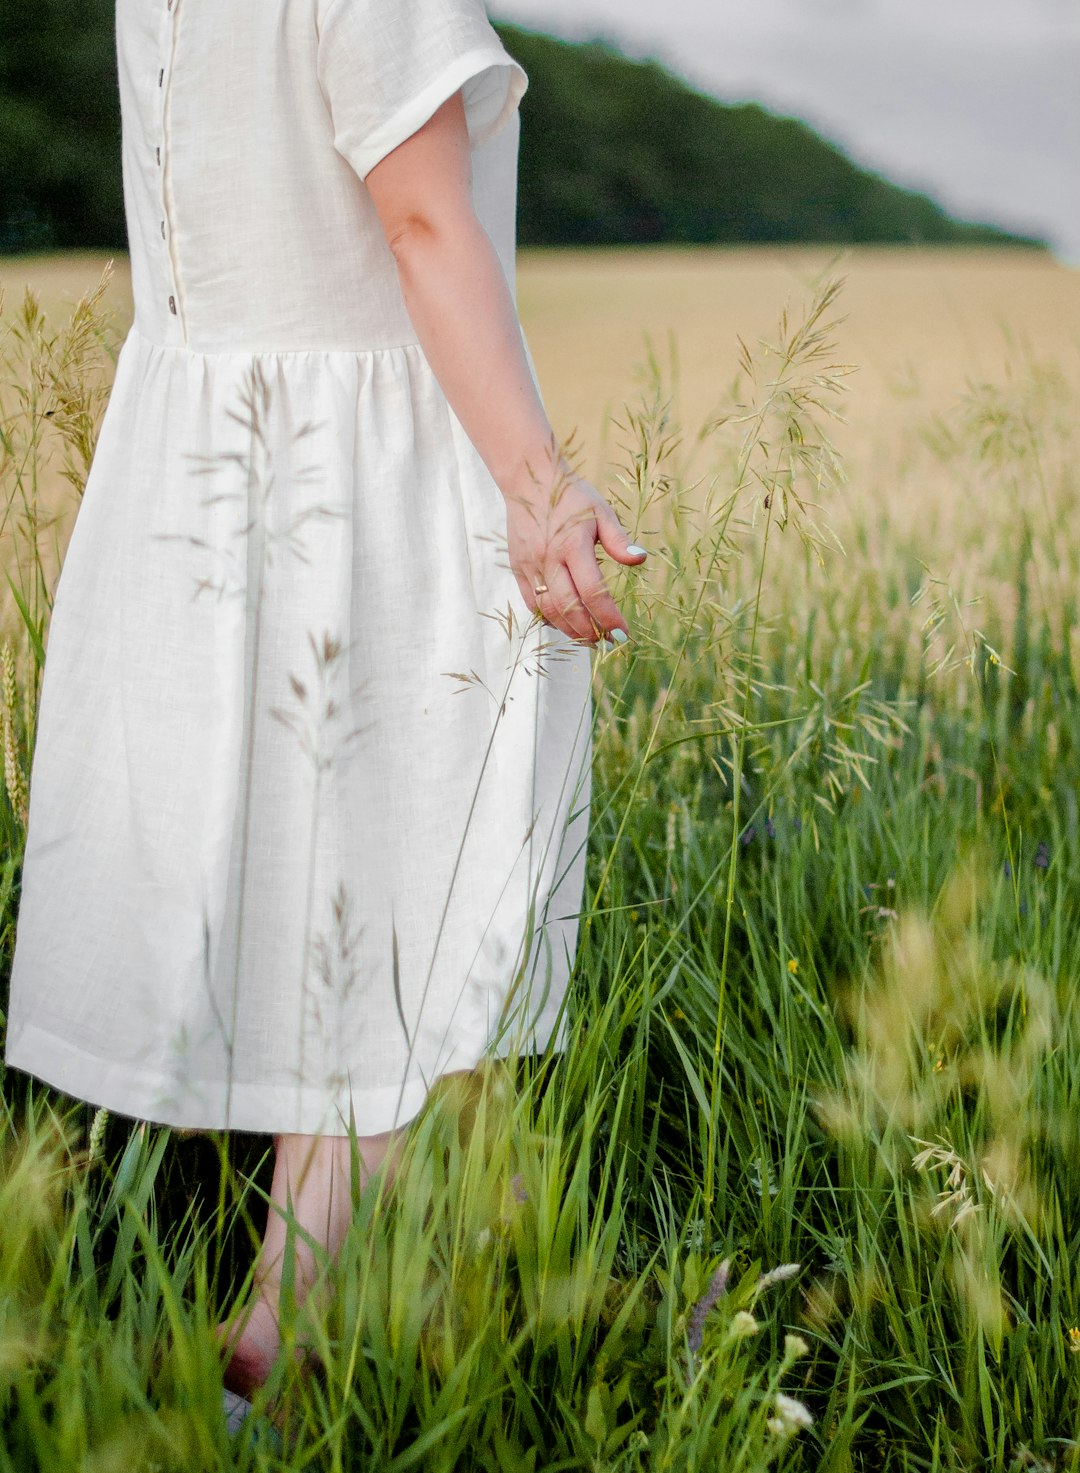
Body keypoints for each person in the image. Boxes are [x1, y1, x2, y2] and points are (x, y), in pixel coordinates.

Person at [2, 0, 647, 1424]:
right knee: (420, 905)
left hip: (200, 469)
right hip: (371, 480)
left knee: (323, 905)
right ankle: (285, 1344)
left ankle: (279, 1324)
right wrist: (542, 496)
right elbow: (420, 226)